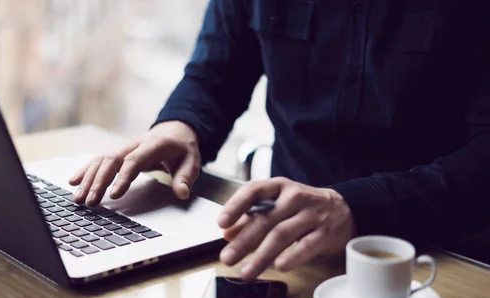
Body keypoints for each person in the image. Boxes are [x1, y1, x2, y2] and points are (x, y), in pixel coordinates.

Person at [69, 0, 490, 281]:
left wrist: (358, 207)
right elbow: (214, 75)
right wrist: (180, 126)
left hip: (439, 258)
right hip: (285, 251)